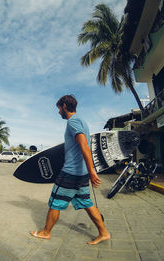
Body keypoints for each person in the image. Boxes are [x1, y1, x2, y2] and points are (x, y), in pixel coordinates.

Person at [30, 95, 110, 245]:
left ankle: (46, 232)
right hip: (80, 174)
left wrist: (92, 171)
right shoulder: (81, 121)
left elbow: (84, 146)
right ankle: (104, 233)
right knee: (86, 203)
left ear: (65, 106)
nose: (58, 112)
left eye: (59, 108)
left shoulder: (73, 122)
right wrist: (88, 171)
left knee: (55, 202)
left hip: (70, 173)